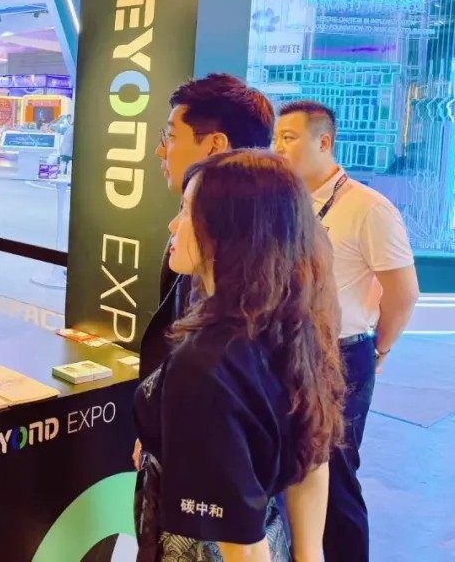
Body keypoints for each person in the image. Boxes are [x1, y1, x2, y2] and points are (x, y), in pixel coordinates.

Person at [133, 150, 345, 562]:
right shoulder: (291, 324)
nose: (173, 225)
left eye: (187, 211)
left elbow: (242, 546)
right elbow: (311, 458)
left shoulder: (205, 365)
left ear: (230, 232)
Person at [273, 100, 419, 562]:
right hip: (285, 350)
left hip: (341, 355)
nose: (278, 148)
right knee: (290, 472)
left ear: (324, 142)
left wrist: (380, 349)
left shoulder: (368, 207)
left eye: (289, 138)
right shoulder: (285, 203)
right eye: (275, 138)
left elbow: (404, 293)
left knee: (334, 475)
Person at [140, 73, 275, 379]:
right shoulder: (269, 229)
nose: (160, 151)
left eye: (171, 137)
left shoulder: (241, 256)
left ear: (215, 145)